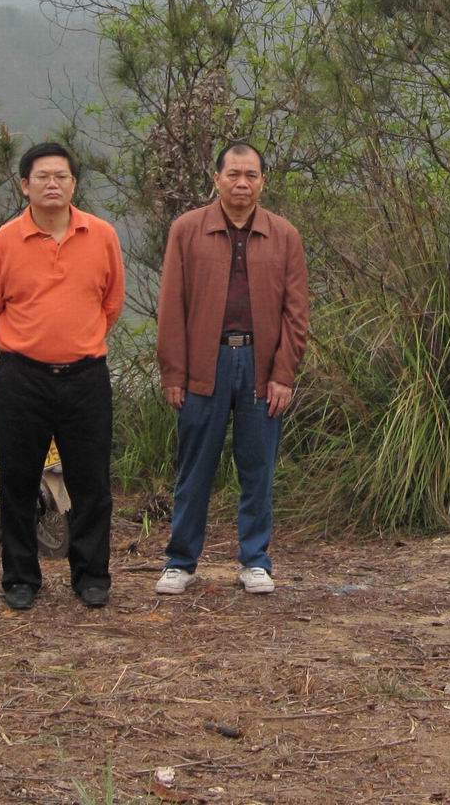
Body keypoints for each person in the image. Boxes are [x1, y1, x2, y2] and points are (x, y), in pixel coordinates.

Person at [155, 141, 311, 596]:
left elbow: (296, 313)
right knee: (194, 467)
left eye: (252, 175)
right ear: (217, 178)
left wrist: (284, 373)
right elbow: (171, 308)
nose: (242, 183)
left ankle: (256, 560)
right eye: (234, 175)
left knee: (257, 466)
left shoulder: (284, 235)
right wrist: (174, 373)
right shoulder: (187, 230)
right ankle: (180, 561)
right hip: (207, 361)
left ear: (263, 181)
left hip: (260, 365)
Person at [0, 142, 124, 611]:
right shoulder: (3, 242)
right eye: (42, 176)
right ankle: (21, 576)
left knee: (91, 481)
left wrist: (78, 339)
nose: (52, 184)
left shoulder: (101, 235)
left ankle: (91, 574)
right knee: (18, 480)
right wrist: (30, 343)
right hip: (23, 378)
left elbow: (112, 302)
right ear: (25, 185)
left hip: (85, 377)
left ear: (74, 184)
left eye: (61, 176)